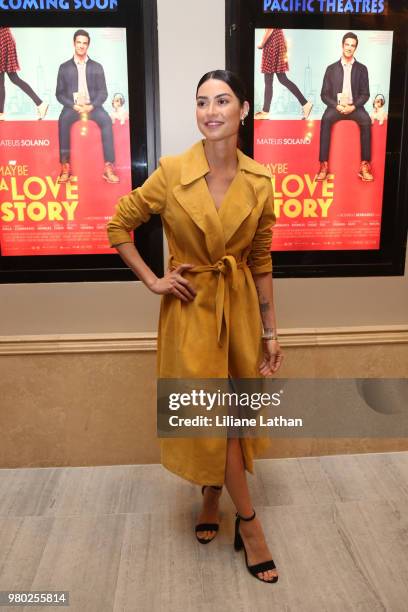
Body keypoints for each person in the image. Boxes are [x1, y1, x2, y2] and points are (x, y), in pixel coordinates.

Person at [107, 69, 283, 583]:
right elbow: (119, 224)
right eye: (202, 101)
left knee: (232, 417)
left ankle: (211, 497)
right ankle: (249, 524)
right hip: (191, 314)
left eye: (222, 100)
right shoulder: (171, 171)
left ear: (243, 110)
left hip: (242, 312)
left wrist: (272, 333)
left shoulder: (260, 181)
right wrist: (153, 280)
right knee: (217, 417)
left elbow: (261, 259)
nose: (211, 111)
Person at [55, 29, 119, 184]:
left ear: (88, 45)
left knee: (105, 120)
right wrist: (73, 105)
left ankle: (109, 167)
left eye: (84, 43)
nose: (81, 46)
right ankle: (65, 166)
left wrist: (92, 106)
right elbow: (59, 94)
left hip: (93, 107)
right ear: (74, 43)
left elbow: (103, 93)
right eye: (79, 42)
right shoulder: (64, 67)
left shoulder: (97, 67)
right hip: (73, 108)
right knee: (62, 121)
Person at [317, 32, 373, 182]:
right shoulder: (331, 68)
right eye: (347, 44)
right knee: (326, 119)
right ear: (342, 45)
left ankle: (364, 165)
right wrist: (337, 106)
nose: (349, 48)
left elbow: (365, 94)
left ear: (356, 48)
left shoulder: (362, 69)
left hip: (355, 108)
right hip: (336, 108)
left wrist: (353, 107)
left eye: (352, 45)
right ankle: (323, 165)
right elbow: (323, 94)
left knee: (366, 121)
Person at [255, 28, 312, 120]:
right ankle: (305, 103)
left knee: (269, 81)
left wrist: (262, 44)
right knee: (282, 79)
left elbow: (270, 28)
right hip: (278, 41)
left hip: (272, 43)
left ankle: (265, 112)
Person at [0, 27, 48, 121]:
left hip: (2, 38)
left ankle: (1, 113)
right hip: (5, 37)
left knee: (6, 79)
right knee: (13, 78)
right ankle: (40, 104)